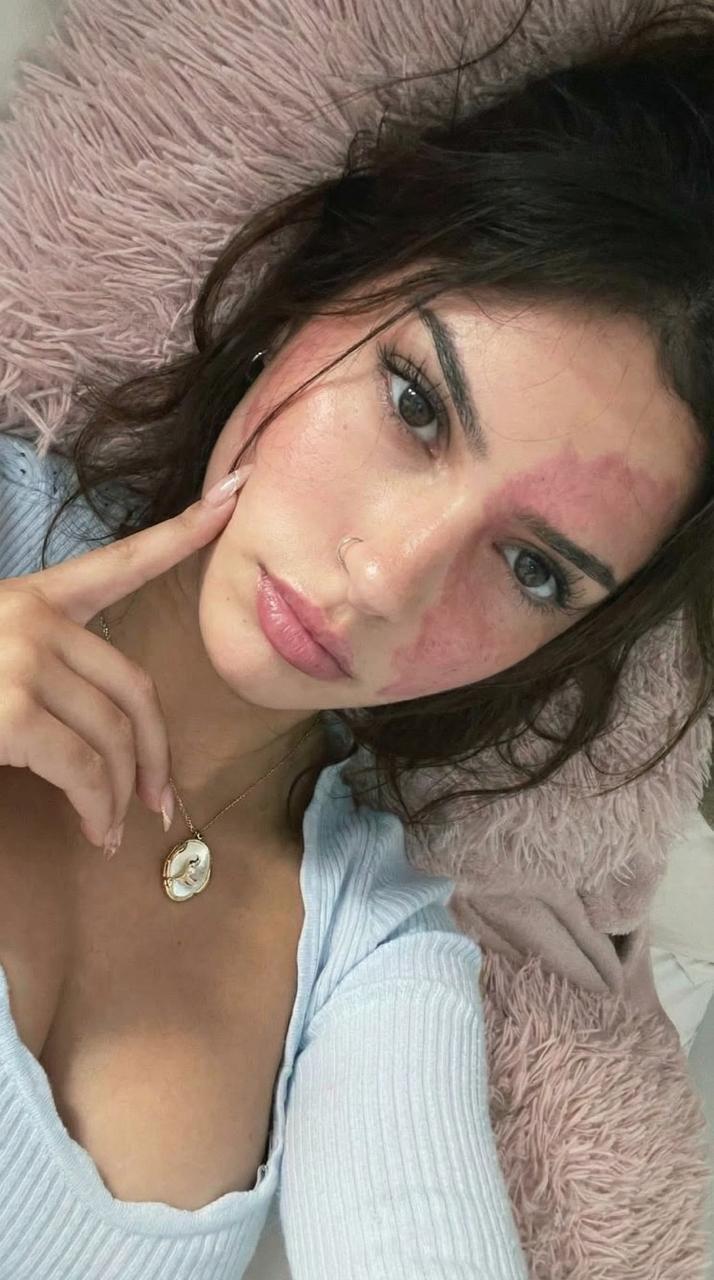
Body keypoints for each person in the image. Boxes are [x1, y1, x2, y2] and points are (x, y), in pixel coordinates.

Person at [0, 3, 711, 1276]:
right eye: (415, 403)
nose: (385, 578)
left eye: (534, 568)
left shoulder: (375, 939)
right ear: (313, 290)